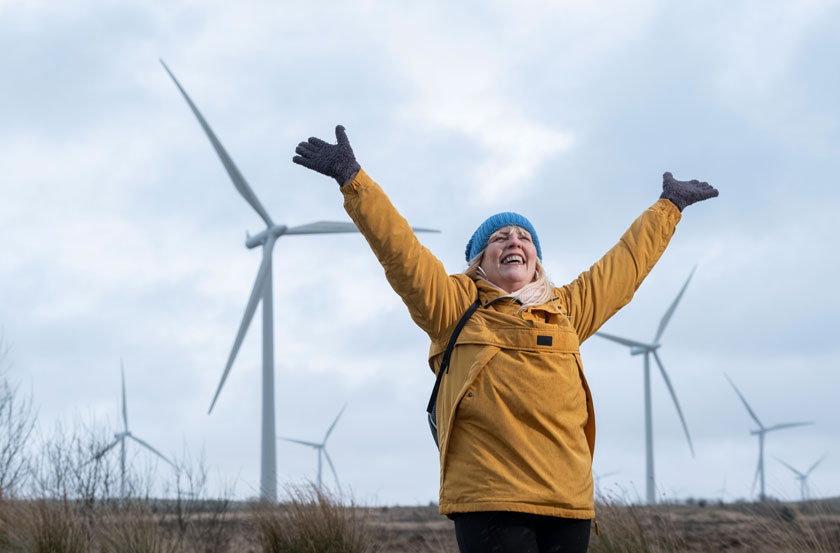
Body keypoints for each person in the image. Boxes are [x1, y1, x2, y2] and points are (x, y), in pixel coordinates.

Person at [293, 125, 718, 553]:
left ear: (536, 261)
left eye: (524, 237)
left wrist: (669, 206)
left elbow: (624, 265)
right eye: (500, 238)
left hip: (568, 502)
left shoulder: (567, 309)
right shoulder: (453, 304)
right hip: (491, 498)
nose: (514, 240)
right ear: (480, 260)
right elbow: (401, 252)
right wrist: (353, 179)